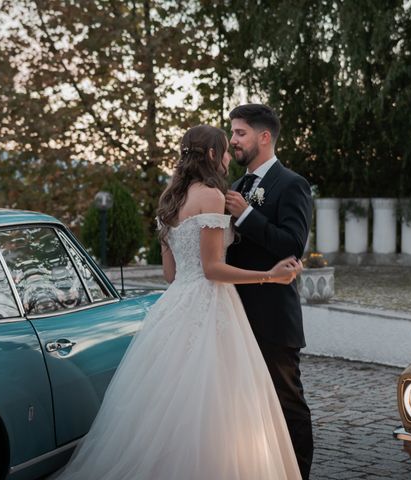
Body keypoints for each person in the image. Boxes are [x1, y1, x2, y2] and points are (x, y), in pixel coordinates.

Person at [50, 124, 303, 480]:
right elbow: (213, 269)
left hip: (175, 304)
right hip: (211, 304)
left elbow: (171, 274)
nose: (230, 155)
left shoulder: (170, 199)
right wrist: (270, 276)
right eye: (224, 150)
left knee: (166, 405)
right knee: (216, 405)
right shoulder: (212, 196)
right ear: (213, 155)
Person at [224, 104, 314, 479]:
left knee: (287, 404)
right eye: (232, 132)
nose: (233, 140)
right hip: (233, 312)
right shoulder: (236, 186)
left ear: (264, 137)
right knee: (244, 406)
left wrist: (246, 215)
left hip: (273, 317)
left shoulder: (291, 184)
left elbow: (292, 244)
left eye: (240, 133)